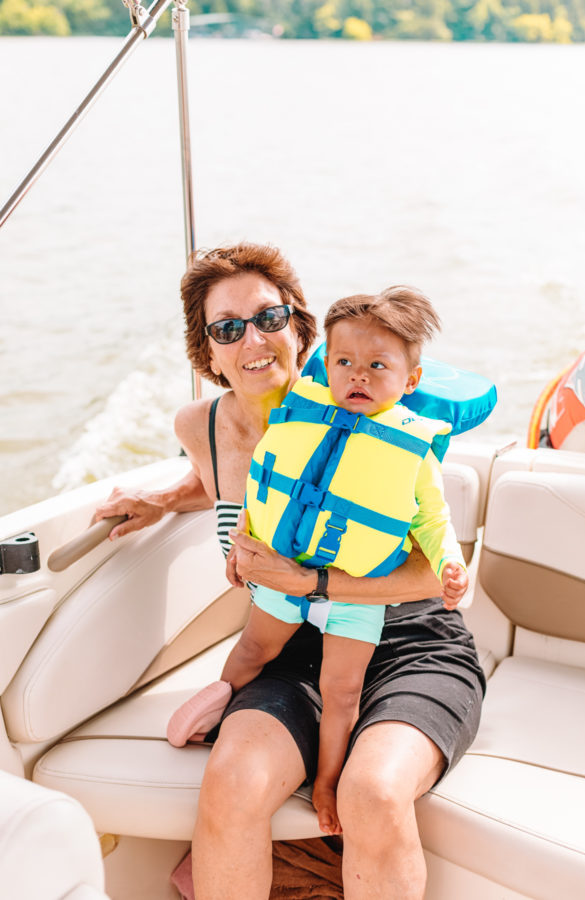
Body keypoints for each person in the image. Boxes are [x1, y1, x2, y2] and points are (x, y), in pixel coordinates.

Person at [95, 242, 485, 900]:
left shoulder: (361, 406)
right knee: (232, 782)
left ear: (300, 330)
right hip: (290, 648)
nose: (253, 339)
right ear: (207, 350)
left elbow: (438, 570)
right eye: (228, 327)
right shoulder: (202, 425)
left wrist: (316, 585)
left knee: (373, 791)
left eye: (269, 318)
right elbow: (232, 484)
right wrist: (159, 500)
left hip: (408, 640)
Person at [166, 287, 469, 836]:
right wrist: (234, 539)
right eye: (346, 363)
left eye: (378, 366)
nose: (359, 376)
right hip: (283, 582)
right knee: (252, 648)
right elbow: (264, 489)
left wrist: (450, 562)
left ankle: (328, 780)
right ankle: (219, 702)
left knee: (342, 691)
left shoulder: (416, 451)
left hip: (359, 592)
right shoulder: (293, 418)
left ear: (412, 380)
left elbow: (432, 521)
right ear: (326, 365)